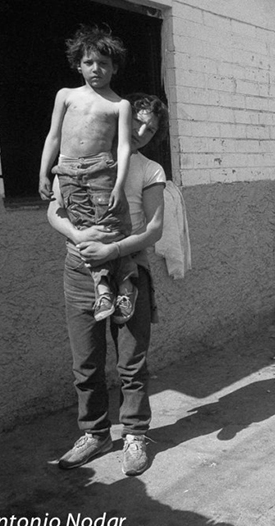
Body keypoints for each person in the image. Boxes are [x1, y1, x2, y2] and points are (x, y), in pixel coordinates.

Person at [47, 93, 168, 476]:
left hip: (129, 272)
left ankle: (134, 434)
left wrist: (111, 248)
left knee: (131, 364)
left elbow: (153, 230)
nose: (143, 131)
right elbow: (54, 210)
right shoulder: (83, 161)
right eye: (140, 122)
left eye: (152, 127)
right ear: (125, 118)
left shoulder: (150, 171)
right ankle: (95, 433)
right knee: (86, 363)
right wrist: (81, 239)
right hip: (80, 271)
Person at [38, 25, 136, 323]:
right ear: (78, 65)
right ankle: (103, 287)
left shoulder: (119, 104)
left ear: (114, 68)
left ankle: (128, 284)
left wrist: (119, 184)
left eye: (104, 64)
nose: (97, 69)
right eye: (89, 62)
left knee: (110, 227)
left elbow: (124, 147)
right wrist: (44, 172)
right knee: (83, 229)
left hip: (101, 169)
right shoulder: (66, 96)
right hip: (67, 172)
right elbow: (53, 136)